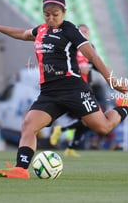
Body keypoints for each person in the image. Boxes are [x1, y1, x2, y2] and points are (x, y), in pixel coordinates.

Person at [0, 0, 128, 178]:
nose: (50, 19)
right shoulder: (41, 30)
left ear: (64, 13)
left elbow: (93, 56)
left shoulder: (70, 30)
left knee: (103, 127)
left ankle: (127, 107)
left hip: (73, 88)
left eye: (55, 15)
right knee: (28, 126)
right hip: (49, 92)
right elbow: (22, 34)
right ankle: (21, 169)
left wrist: (111, 81)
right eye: (46, 15)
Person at [49, 24, 95, 157]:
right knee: (89, 119)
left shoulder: (90, 47)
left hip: (87, 87)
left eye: (86, 31)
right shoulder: (70, 45)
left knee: (87, 120)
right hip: (75, 87)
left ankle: (70, 146)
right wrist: (79, 69)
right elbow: (66, 64)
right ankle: (65, 136)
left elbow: (94, 64)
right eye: (81, 31)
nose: (84, 33)